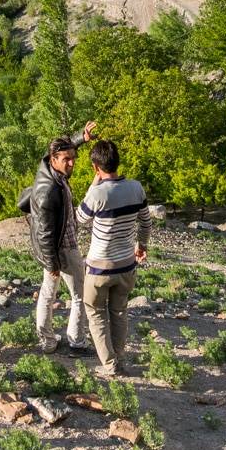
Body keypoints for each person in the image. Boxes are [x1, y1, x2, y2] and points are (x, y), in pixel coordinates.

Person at [75, 137, 151, 377]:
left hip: (99, 267)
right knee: (119, 312)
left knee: (95, 313)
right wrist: (141, 245)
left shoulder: (98, 193)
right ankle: (119, 357)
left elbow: (80, 217)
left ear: (96, 167)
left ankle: (109, 365)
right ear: (117, 161)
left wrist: (92, 186)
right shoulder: (136, 188)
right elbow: (146, 222)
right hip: (126, 264)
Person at [26, 121, 96, 354]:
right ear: (53, 159)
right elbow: (45, 233)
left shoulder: (49, 169)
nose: (72, 163)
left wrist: (80, 139)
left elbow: (61, 148)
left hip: (58, 248)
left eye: (73, 157)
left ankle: (47, 341)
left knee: (48, 293)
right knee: (80, 294)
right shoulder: (49, 191)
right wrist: (52, 263)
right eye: (66, 159)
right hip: (62, 248)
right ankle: (75, 341)